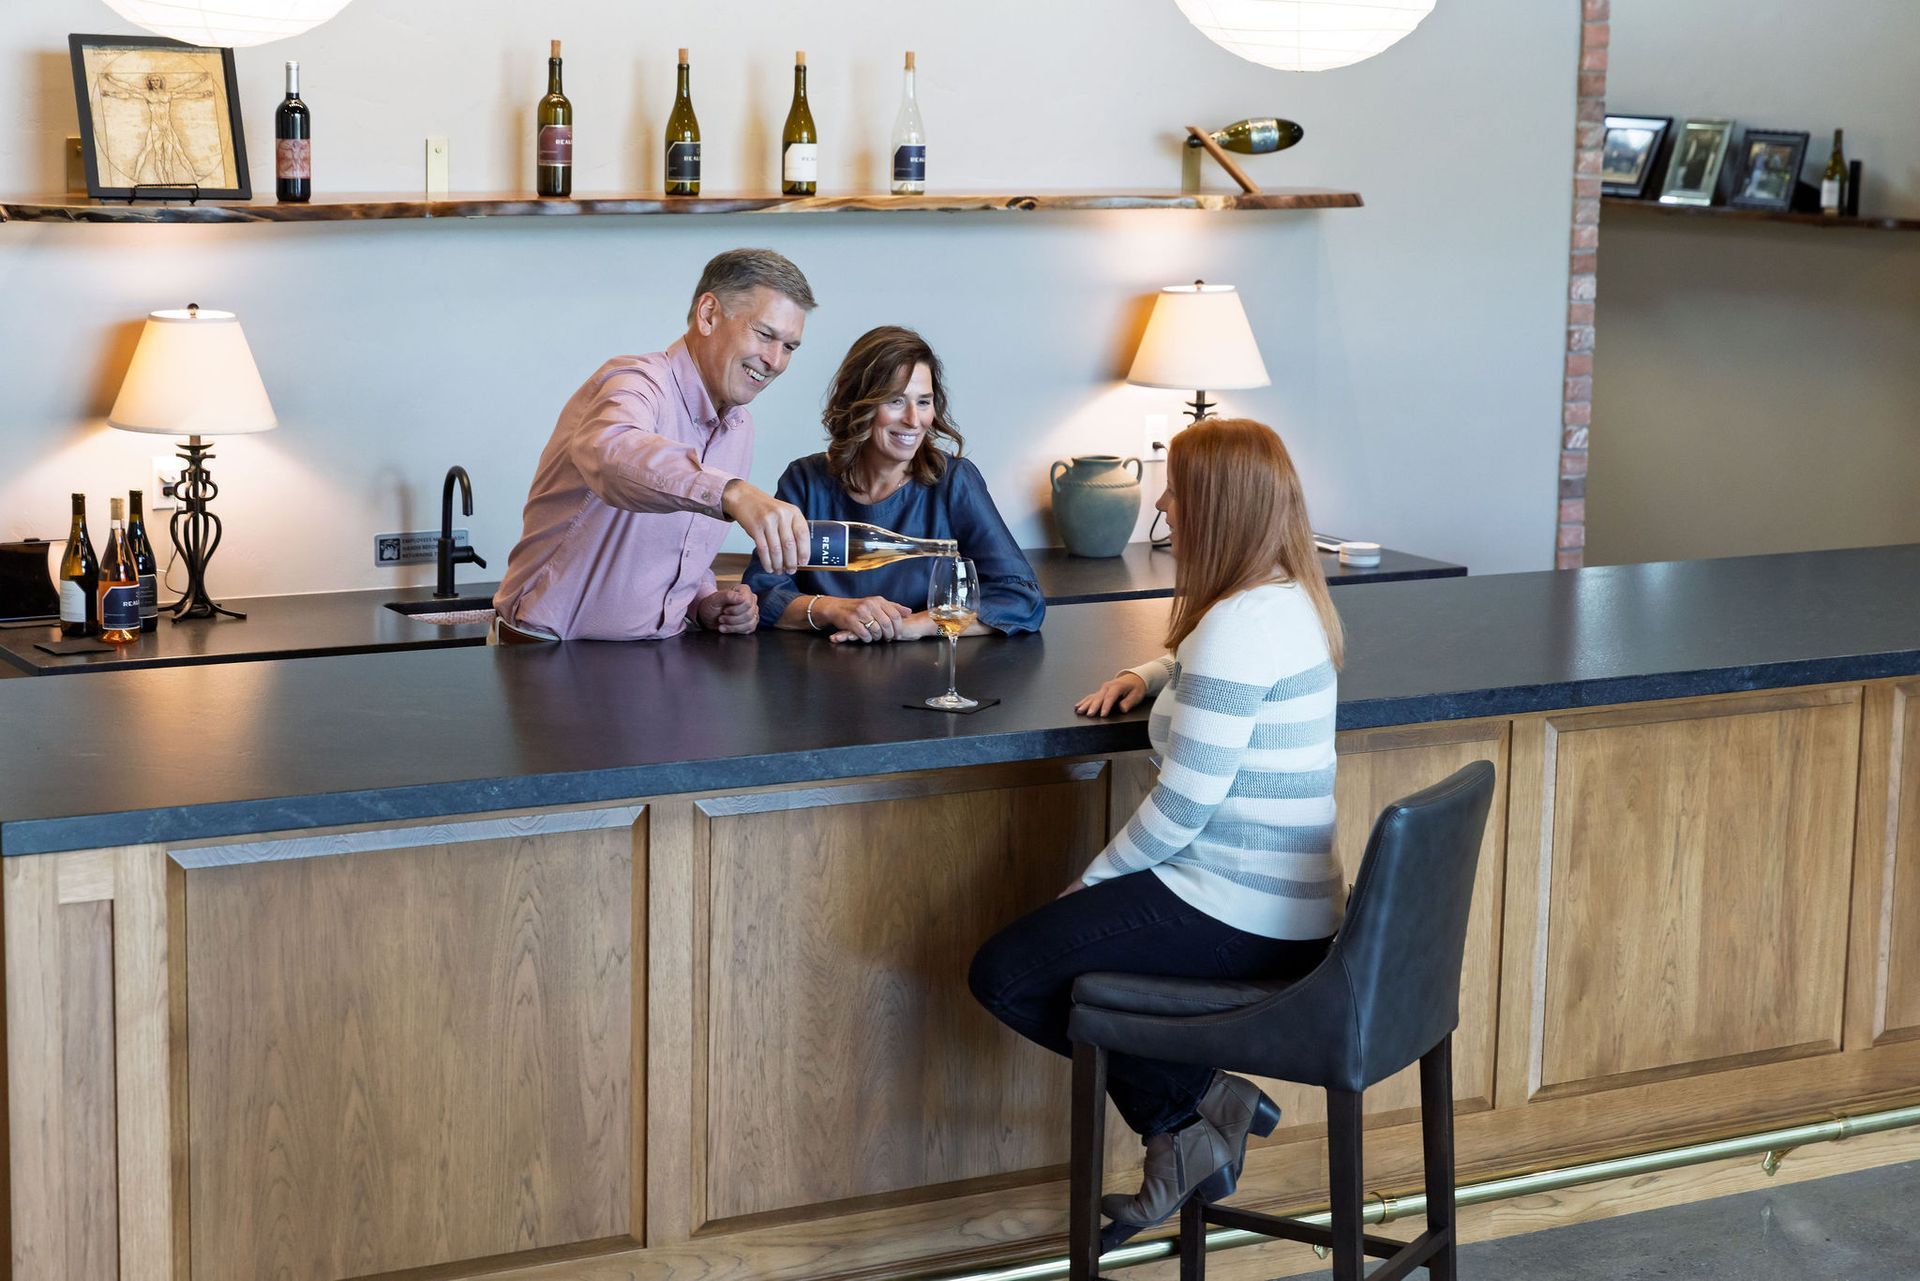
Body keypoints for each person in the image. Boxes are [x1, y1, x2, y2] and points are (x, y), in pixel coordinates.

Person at [967, 417, 1345, 1238]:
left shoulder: (1233, 629)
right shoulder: (1285, 600)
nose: (1164, 502)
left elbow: (1182, 807)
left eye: (1177, 487)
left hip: (1235, 912)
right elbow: (1209, 667)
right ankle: (1194, 1116)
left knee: (1007, 972)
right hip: (1289, 910)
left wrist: (1092, 880)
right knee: (1069, 969)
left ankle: (1198, 1104)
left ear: (1218, 505)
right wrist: (1152, 670)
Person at [492, 248, 818, 642]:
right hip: (545, 654)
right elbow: (614, 454)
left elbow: (678, 543)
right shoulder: (634, 382)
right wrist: (732, 493)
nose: (776, 361)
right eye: (765, 334)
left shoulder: (739, 427)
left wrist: (702, 600)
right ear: (709, 314)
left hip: (653, 658)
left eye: (789, 347)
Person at [741, 325, 1043, 642]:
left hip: (928, 678)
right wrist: (833, 609)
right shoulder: (805, 481)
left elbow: (1021, 598)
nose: (914, 420)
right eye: (896, 401)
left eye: (924, 402)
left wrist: (914, 625)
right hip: (821, 674)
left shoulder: (953, 481)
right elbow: (763, 591)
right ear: (859, 403)